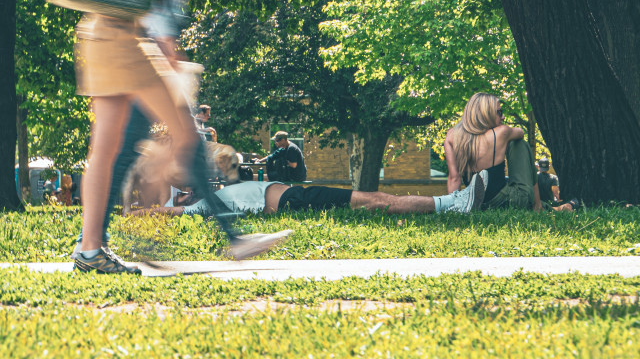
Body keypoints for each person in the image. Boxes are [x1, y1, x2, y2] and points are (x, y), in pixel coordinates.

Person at [70, 0, 287, 268]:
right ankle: (119, 242)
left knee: (113, 149)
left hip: (118, 35)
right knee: (175, 138)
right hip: (122, 39)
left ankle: (91, 247)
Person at [131, 168, 490, 218]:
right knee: (377, 201)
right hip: (294, 201)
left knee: (376, 199)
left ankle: (451, 203)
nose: (184, 193)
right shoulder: (200, 209)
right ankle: (451, 204)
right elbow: (165, 212)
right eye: (178, 195)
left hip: (296, 195)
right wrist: (134, 215)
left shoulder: (212, 194)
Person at [443, 93, 576, 212]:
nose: (503, 117)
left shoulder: (452, 136)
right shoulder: (501, 132)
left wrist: (453, 204)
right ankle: (538, 206)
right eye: (499, 112)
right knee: (519, 143)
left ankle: (552, 208)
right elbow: (521, 132)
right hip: (506, 200)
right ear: (486, 113)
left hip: (479, 203)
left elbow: (454, 178)